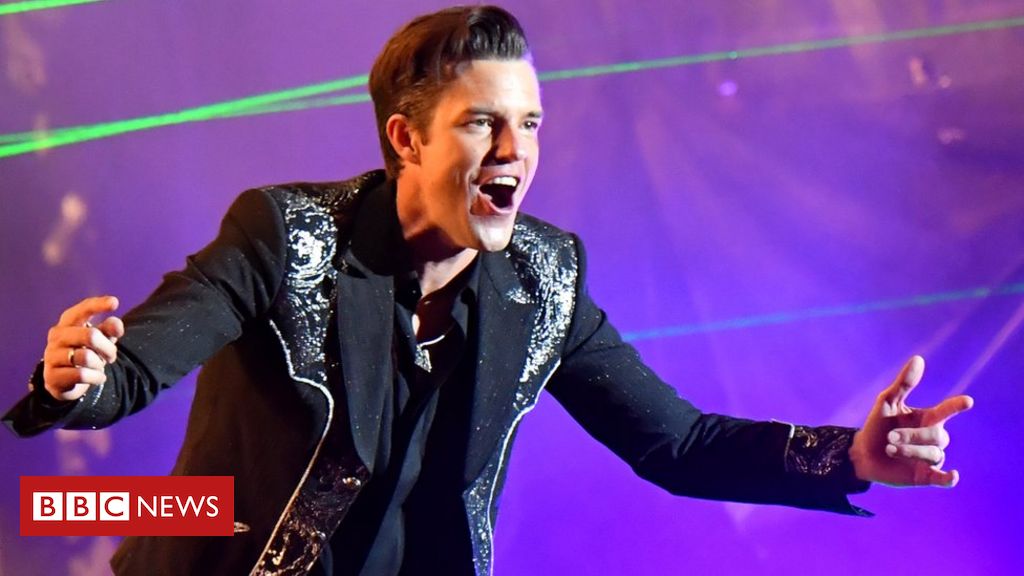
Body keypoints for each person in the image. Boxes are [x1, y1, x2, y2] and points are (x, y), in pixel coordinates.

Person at [3, 5, 973, 576]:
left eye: (531, 123)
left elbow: (676, 444)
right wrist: (76, 379)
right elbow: (132, 370)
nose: (515, 151)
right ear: (406, 139)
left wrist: (848, 456)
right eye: (482, 124)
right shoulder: (288, 237)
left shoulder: (545, 279)